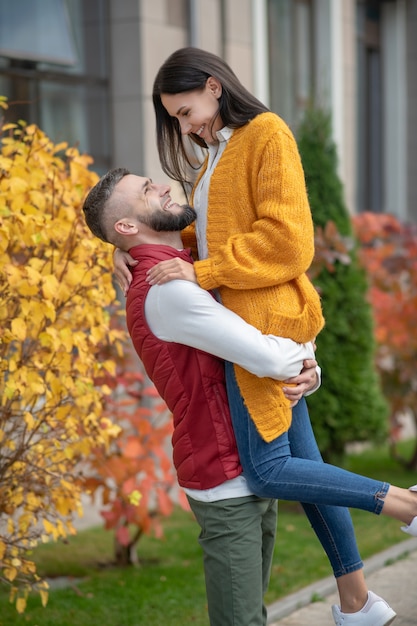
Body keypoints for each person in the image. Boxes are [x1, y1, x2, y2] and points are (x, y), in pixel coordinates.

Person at [113, 48, 417, 626]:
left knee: (268, 469)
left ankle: (405, 503)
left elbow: (288, 244)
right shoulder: (212, 160)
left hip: (260, 329)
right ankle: (357, 603)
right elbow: (196, 240)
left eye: (185, 111)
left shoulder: (266, 135)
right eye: (175, 118)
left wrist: (201, 272)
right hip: (245, 327)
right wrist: (124, 255)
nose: (184, 125)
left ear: (213, 86)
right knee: (305, 467)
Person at [83, 167, 321, 626]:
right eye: (148, 190)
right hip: (225, 473)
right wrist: (306, 358)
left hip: (253, 454)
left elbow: (263, 333)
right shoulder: (168, 286)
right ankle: (398, 504)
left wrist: (309, 371)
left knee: (251, 614)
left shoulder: (192, 264)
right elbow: (271, 360)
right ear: (128, 227)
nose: (164, 186)